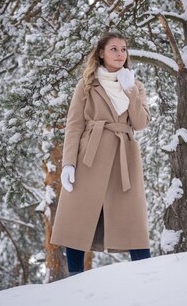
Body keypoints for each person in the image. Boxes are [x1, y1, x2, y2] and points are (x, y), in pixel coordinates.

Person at [50, 32, 152, 275]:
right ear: (101, 53)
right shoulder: (87, 84)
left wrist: (130, 91)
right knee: (78, 217)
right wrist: (68, 164)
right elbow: (74, 125)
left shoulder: (135, 85)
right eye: (114, 49)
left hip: (123, 157)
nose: (120, 54)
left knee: (133, 220)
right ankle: (75, 279)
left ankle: (148, 277)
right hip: (89, 156)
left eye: (124, 49)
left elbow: (141, 123)